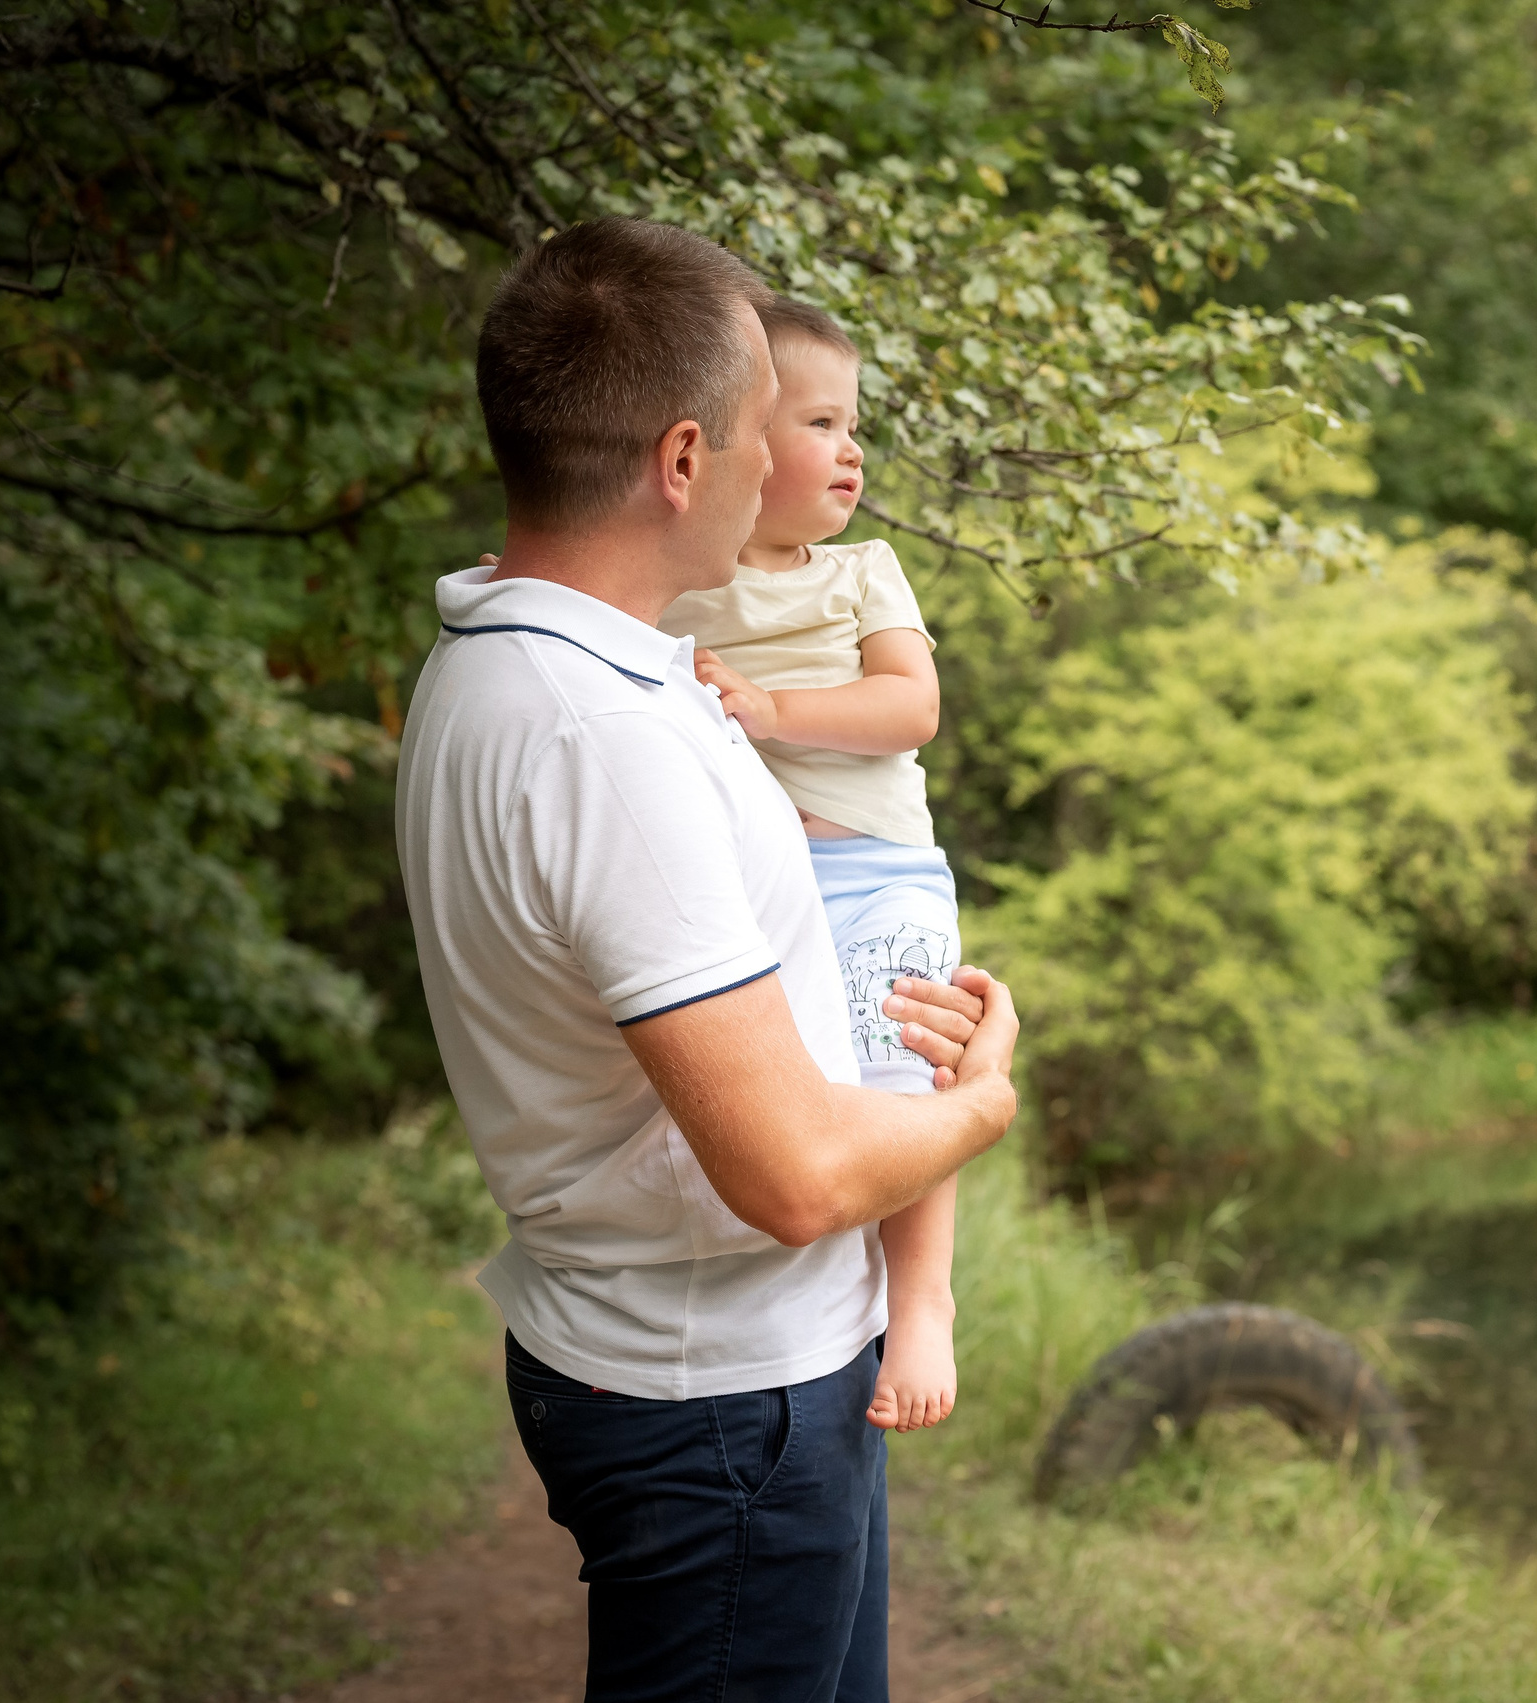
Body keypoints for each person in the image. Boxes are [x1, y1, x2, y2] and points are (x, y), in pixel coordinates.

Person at [396, 215, 1018, 1703]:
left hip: (714, 1368)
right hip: (726, 1405)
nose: (777, 468)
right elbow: (793, 1178)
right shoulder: (604, 738)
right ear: (683, 460)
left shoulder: (518, 657)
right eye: (756, 433)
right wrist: (983, 1100)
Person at [658, 296, 964, 1439]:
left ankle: (922, 1299)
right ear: (734, 437)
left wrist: (772, 708)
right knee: (789, 1096)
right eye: (824, 423)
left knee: (911, 1086)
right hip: (755, 892)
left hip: (877, 877)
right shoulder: (686, 580)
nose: (853, 450)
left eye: (856, 427)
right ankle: (800, 1298)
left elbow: (911, 706)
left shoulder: (862, 574)